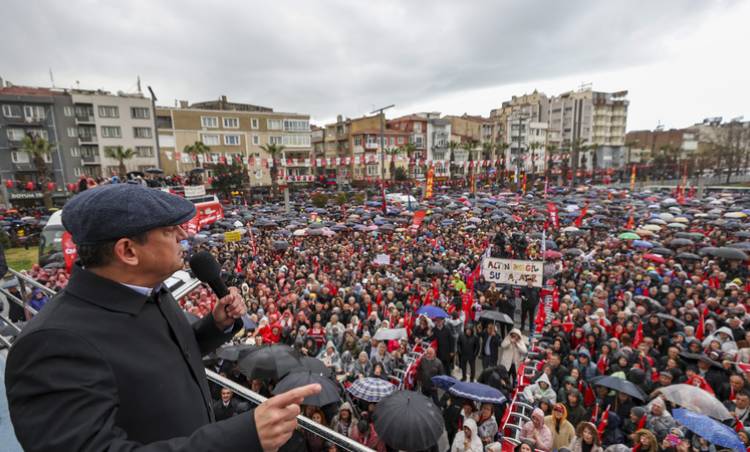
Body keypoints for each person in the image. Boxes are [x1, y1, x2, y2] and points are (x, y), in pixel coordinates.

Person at [5, 184, 321, 451]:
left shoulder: (149, 290)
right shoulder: (52, 345)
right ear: (128, 251)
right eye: (169, 230)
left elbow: (159, 355)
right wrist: (241, 437)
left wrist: (215, 326)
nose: (184, 234)